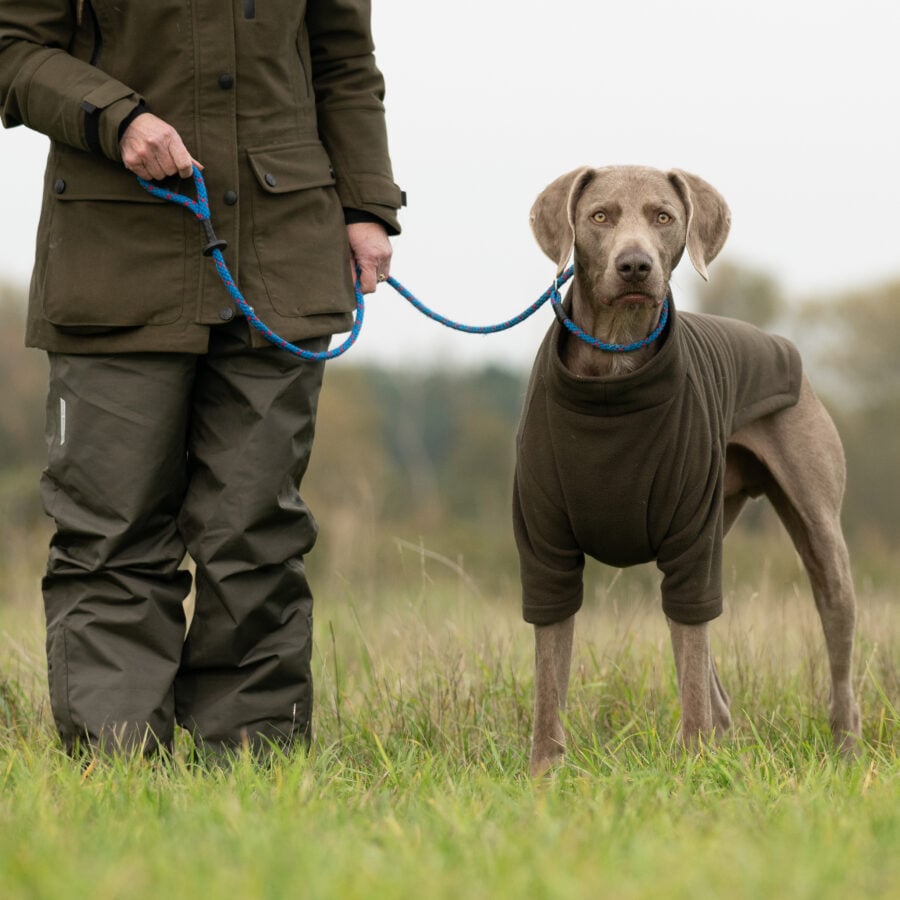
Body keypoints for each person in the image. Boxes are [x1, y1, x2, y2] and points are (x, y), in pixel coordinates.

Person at [0, 0, 403, 758]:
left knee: (256, 533)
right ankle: (115, 775)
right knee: (111, 533)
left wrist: (366, 205)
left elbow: (345, 62)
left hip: (280, 257)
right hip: (113, 259)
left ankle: (254, 770)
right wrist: (117, 118)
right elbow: (13, 46)